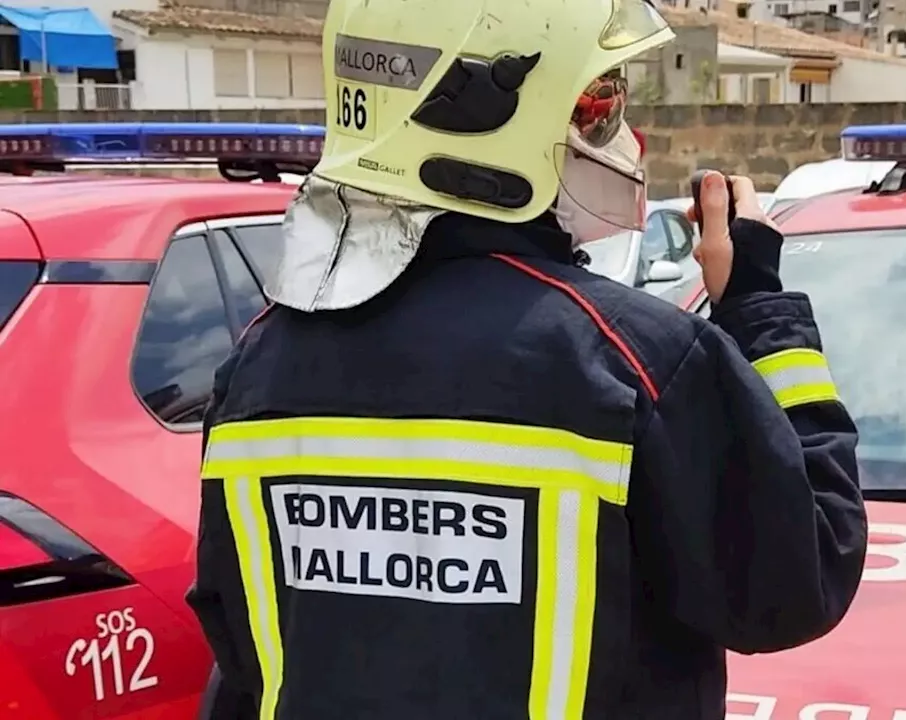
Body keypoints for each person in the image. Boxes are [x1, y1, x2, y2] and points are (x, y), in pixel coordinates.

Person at [186, 0, 868, 716]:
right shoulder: (635, 362)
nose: (613, 133)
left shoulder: (257, 366)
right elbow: (803, 577)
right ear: (489, 113)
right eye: (593, 104)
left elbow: (244, 657)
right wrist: (759, 307)